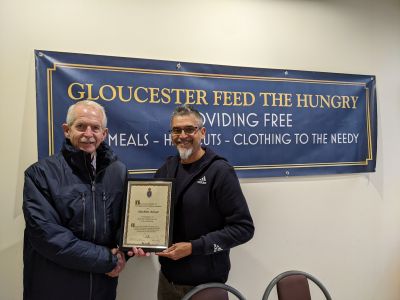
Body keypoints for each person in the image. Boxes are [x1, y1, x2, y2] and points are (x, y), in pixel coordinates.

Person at [23, 100, 127, 300]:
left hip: (101, 288)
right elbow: (48, 237)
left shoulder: (118, 172)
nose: (88, 134)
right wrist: (108, 259)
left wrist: (128, 250)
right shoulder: (40, 174)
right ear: (66, 130)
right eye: (81, 126)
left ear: (104, 134)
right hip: (54, 288)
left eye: (95, 128)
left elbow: (126, 223)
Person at [154, 105, 255, 300]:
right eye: (176, 130)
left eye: (189, 129)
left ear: (202, 132)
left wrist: (194, 247)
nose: (182, 135)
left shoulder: (220, 171)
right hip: (168, 281)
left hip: (206, 287)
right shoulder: (166, 169)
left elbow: (244, 228)